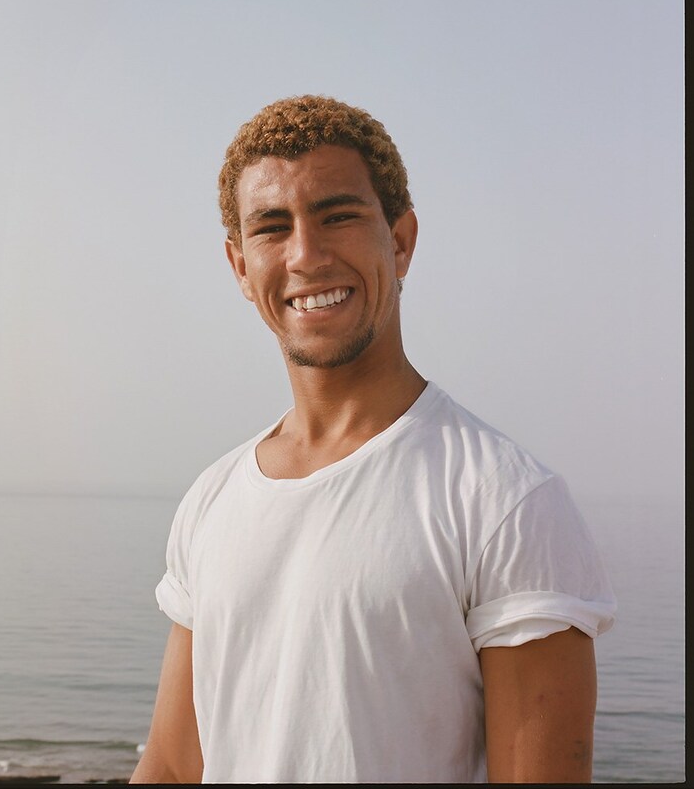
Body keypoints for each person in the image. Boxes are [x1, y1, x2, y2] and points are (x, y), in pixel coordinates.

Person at [131, 95, 616, 785]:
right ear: (240, 266)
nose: (306, 255)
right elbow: (175, 768)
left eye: (338, 216)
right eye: (273, 227)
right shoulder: (212, 500)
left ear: (401, 240)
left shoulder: (506, 500)